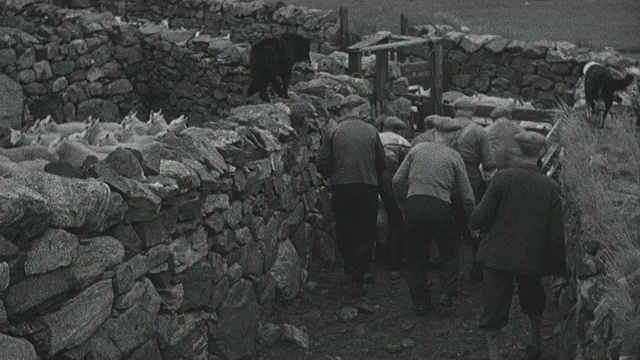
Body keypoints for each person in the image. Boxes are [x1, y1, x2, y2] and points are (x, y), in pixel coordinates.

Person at [470, 131, 566, 360]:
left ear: (517, 150)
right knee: (533, 296)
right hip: (531, 255)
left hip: (498, 254)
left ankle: (494, 354)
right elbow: (556, 235)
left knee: (493, 302)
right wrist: (559, 269)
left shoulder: (502, 179)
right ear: (541, 154)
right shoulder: (550, 187)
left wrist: (474, 222)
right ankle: (535, 342)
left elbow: (480, 217)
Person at [392, 116, 476, 315]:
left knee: (415, 254)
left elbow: (396, 181)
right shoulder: (455, 157)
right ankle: (447, 295)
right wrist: (473, 220)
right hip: (439, 205)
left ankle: (420, 301)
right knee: (449, 249)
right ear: (454, 138)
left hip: (413, 203)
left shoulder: (416, 150)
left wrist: (404, 206)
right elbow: (467, 196)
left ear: (435, 134)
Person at [316, 115, 387, 297]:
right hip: (367, 187)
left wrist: (334, 172)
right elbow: (382, 163)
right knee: (365, 231)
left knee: (346, 229)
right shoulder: (372, 131)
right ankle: (359, 274)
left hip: (342, 187)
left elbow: (322, 163)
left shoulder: (335, 131)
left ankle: (350, 270)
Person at [450, 97, 497, 284]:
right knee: (474, 221)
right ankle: (476, 270)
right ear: (472, 111)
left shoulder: (442, 128)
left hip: (445, 175)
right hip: (470, 178)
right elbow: (489, 163)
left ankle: (449, 271)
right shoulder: (479, 132)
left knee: (449, 221)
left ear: (455, 110)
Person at [377, 116, 411, 279]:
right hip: (391, 175)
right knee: (396, 217)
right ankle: (395, 260)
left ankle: (377, 255)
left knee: (376, 214)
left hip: (372, 174)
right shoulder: (402, 142)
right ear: (398, 129)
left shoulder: (376, 136)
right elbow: (406, 168)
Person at [485, 106, 524, 171]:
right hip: (515, 167)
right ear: (509, 116)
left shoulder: (487, 130)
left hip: (494, 168)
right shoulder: (520, 129)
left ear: (493, 118)